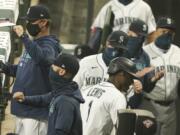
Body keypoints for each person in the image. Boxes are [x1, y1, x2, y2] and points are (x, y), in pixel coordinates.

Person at [0, 5, 61, 135]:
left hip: (36, 114)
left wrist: (23, 37)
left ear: (43, 23)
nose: (27, 24)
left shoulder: (50, 45)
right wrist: (5, 68)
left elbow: (43, 59)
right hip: (23, 110)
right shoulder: (34, 44)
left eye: (30, 21)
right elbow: (25, 69)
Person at [13, 53, 84, 135]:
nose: (51, 69)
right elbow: (45, 99)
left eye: (53, 67)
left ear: (61, 72)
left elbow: (60, 133)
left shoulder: (65, 101)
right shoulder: (63, 91)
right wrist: (25, 99)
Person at [140, 17, 180, 135]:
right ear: (156, 31)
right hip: (150, 105)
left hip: (171, 109)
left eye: (170, 33)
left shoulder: (178, 52)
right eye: (163, 31)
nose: (167, 34)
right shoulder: (144, 52)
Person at [81, 57, 139, 135]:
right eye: (130, 77)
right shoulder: (117, 96)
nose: (132, 82)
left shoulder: (88, 90)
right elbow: (122, 130)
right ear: (121, 73)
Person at [87, 0, 156, 54]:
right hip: (114, 51)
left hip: (137, 53)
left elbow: (152, 33)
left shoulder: (144, 7)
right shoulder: (108, 7)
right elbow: (97, 33)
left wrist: (151, 53)